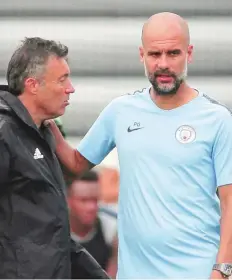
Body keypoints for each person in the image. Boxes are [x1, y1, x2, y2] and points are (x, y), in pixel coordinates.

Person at [48, 12, 232, 279]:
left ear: (189, 54)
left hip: (199, 272)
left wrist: (223, 269)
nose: (164, 64)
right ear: (141, 55)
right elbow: (76, 163)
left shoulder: (218, 119)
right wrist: (41, 117)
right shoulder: (121, 111)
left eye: (173, 53)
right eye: (155, 55)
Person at [0, 37, 109, 279]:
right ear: (32, 85)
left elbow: (51, 236)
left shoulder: (42, 134)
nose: (71, 88)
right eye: (62, 79)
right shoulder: (5, 132)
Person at [68, 170, 118, 278]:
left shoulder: (109, 228)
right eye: (84, 200)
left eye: (95, 200)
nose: (91, 207)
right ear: (68, 200)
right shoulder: (54, 231)